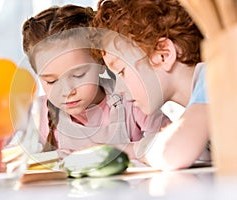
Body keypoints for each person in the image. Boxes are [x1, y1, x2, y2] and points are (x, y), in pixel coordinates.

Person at [21, 5, 169, 158]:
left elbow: (171, 140)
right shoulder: (39, 115)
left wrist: (119, 151)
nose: (67, 91)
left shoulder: (132, 100)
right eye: (51, 81)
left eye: (78, 75)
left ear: (100, 62)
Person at [92, 0, 211, 170]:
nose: (118, 89)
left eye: (121, 71)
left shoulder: (215, 77)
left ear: (163, 54)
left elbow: (172, 152)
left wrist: (128, 150)